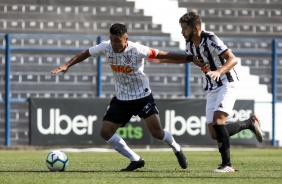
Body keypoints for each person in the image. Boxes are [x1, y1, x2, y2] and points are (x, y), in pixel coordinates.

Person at [51, 23, 193, 171]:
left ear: (126, 39)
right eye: (112, 40)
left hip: (142, 96)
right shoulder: (106, 47)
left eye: (117, 40)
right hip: (122, 99)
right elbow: (86, 53)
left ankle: (176, 148)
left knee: (157, 133)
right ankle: (136, 159)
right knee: (105, 132)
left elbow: (163, 54)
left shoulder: (137, 49)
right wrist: (67, 65)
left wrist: (189, 58)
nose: (114, 44)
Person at [176, 11, 264, 173]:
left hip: (227, 82)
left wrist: (219, 72)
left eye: (185, 29)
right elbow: (191, 59)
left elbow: (233, 59)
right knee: (214, 133)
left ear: (195, 28)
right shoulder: (189, 45)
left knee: (218, 122)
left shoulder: (210, 39)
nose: (182, 32)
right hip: (211, 88)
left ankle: (227, 165)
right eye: (181, 28)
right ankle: (249, 123)